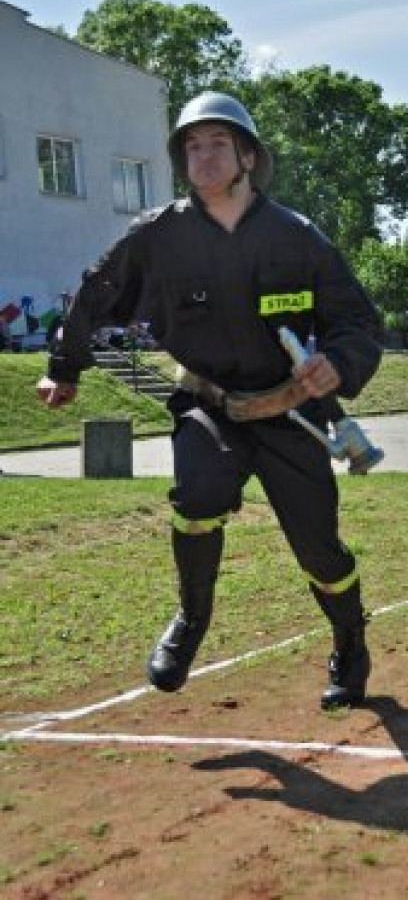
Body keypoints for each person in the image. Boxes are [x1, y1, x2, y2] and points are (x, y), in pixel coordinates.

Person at [37, 91, 382, 708]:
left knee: (320, 550)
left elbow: (356, 319)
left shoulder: (295, 237)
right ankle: (191, 619)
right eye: (192, 147)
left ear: (247, 155)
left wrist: (341, 364)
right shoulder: (157, 237)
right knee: (197, 497)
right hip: (208, 405)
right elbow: (96, 295)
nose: (204, 156)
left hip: (291, 415)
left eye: (218, 143)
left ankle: (350, 645)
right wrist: (65, 367)